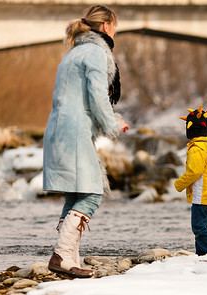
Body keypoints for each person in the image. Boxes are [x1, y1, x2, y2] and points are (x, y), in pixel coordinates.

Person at [43, 5, 129, 278]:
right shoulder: (95, 52)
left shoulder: (74, 53)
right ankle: (61, 255)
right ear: (106, 26)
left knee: (77, 193)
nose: (114, 30)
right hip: (75, 132)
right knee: (91, 194)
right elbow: (97, 96)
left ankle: (70, 257)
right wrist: (113, 123)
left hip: (61, 130)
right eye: (114, 26)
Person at [174, 105, 207, 256]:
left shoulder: (196, 149)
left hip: (201, 196)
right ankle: (203, 255)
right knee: (202, 226)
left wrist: (179, 184)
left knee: (199, 228)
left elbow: (194, 172)